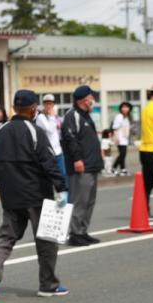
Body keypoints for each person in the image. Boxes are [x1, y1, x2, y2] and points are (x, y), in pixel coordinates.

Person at [0, 90, 67, 300]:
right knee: (46, 240)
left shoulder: (0, 132)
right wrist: (62, 187)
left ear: (14, 108)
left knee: (6, 236)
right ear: (33, 109)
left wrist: (2, 185)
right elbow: (49, 163)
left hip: (10, 196)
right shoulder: (35, 131)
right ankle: (48, 285)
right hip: (36, 195)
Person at [61, 86, 104, 247]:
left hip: (92, 164)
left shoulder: (86, 115)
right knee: (79, 200)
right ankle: (75, 233)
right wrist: (77, 159)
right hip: (81, 166)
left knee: (89, 201)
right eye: (90, 97)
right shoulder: (72, 115)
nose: (93, 100)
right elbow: (70, 139)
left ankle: (83, 231)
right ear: (83, 100)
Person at [35, 94, 63, 179]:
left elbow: (59, 129)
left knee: (63, 176)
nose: (49, 106)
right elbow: (49, 129)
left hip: (58, 151)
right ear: (43, 105)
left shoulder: (55, 117)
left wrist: (54, 117)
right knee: (51, 178)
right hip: (48, 153)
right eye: (46, 104)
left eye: (50, 104)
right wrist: (52, 116)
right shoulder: (41, 117)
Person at [109, 102, 133, 176]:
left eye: (127, 107)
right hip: (119, 138)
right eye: (123, 107)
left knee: (123, 154)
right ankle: (113, 168)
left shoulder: (127, 117)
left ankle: (123, 170)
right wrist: (116, 138)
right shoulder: (119, 116)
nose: (125, 109)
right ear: (121, 108)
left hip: (124, 138)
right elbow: (115, 128)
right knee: (122, 154)